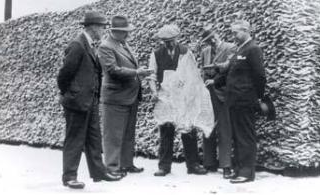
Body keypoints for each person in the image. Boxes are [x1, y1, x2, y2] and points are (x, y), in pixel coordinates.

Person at [57, 11, 122, 189]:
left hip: (91, 100)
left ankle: (99, 172)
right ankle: (69, 177)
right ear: (92, 27)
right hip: (77, 101)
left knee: (94, 138)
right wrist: (69, 93)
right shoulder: (77, 45)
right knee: (75, 139)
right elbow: (64, 74)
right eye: (102, 27)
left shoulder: (90, 44)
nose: (103, 31)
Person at [148, 24, 213, 177]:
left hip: (184, 96)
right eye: (165, 41)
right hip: (166, 96)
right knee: (166, 129)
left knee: (188, 129)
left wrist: (190, 91)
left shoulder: (185, 51)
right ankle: (164, 166)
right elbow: (152, 75)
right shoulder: (156, 54)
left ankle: (193, 165)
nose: (169, 44)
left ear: (176, 39)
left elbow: (193, 74)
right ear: (162, 42)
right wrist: (154, 92)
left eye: (171, 40)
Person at [98, 15, 153, 176]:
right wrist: (137, 72)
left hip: (130, 96)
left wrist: (138, 71)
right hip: (115, 97)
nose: (127, 34)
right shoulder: (106, 46)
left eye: (127, 31)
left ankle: (126, 164)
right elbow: (112, 70)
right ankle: (112, 167)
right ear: (114, 31)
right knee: (113, 135)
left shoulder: (123, 44)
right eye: (124, 31)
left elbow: (126, 65)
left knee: (128, 133)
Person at [226, 20, 266, 183]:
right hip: (235, 100)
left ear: (245, 31)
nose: (233, 36)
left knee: (246, 136)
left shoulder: (253, 49)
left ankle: (247, 172)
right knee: (237, 136)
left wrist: (257, 97)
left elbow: (260, 76)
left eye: (235, 33)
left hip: (245, 100)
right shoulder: (240, 49)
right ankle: (239, 169)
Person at [199, 28, 236, 179]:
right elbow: (202, 71)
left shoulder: (230, 48)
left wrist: (215, 81)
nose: (211, 42)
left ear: (217, 36)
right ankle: (209, 162)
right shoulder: (205, 52)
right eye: (208, 40)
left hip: (223, 94)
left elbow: (232, 71)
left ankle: (226, 165)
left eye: (212, 38)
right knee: (207, 127)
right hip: (208, 94)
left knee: (225, 130)